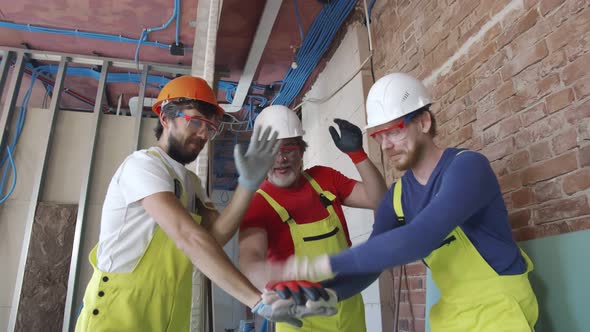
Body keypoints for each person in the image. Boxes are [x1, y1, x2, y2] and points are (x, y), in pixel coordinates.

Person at [268, 73, 539, 331]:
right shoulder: (397, 197)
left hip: (502, 311)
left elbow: (418, 238)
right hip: (451, 314)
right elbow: (372, 263)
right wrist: (323, 295)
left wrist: (319, 264)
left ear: (423, 122)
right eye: (378, 135)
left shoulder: (467, 167)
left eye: (394, 131)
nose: (385, 145)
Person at [75, 76, 330, 331]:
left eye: (210, 127)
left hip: (170, 311)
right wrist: (257, 301)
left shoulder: (191, 183)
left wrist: (247, 184)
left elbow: (216, 238)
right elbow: (187, 235)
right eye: (195, 121)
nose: (202, 133)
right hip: (120, 310)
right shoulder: (143, 165)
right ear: (165, 118)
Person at [239, 105, 387, 332]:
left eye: (288, 148)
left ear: (301, 151)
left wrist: (358, 156)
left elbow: (379, 199)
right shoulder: (257, 203)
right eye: (271, 150)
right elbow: (251, 264)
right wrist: (278, 286)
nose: (281, 158)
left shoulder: (324, 178)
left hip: (348, 311)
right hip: (299, 317)